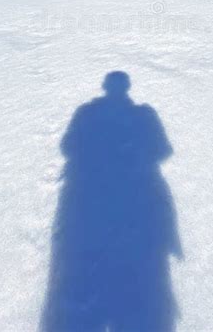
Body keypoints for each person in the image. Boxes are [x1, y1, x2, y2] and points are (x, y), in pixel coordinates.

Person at [41, 71, 182, 332]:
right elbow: (163, 149)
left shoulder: (89, 112)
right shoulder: (142, 115)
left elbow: (68, 146)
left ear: (106, 87)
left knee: (90, 271)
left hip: (95, 201)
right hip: (130, 202)